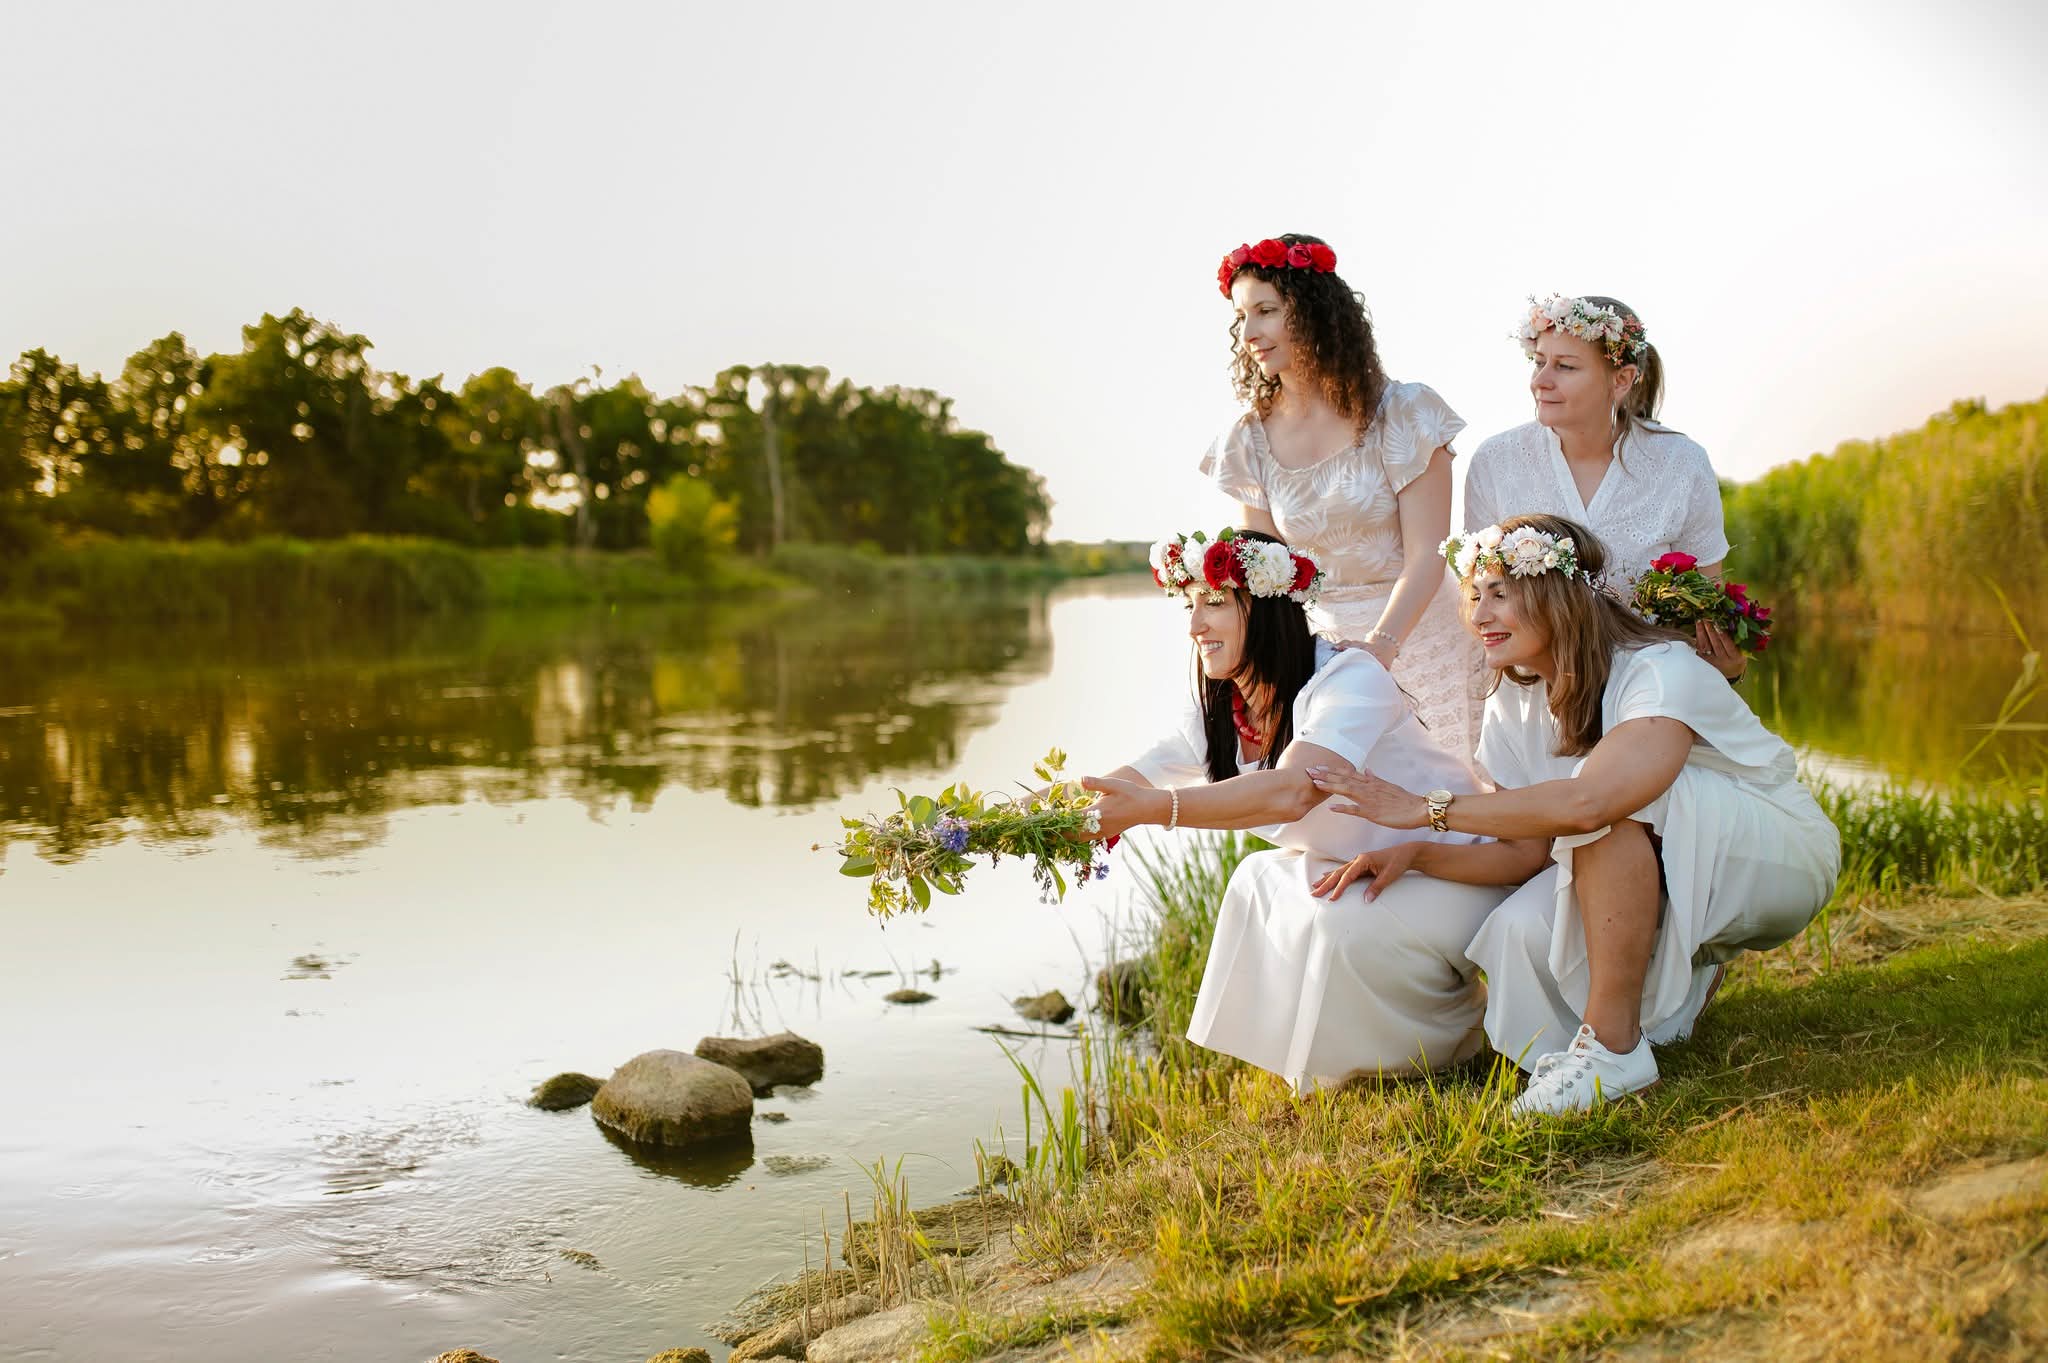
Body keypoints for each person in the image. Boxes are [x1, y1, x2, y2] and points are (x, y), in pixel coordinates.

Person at [1305, 515, 1840, 1113]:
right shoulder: (1513, 702)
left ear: (1556, 592)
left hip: (1773, 853)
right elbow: (1531, 851)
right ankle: (1627, 1024)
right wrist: (1419, 852)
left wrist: (1428, 811)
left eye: (1500, 595)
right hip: (1649, 849)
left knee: (1601, 801)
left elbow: (1590, 806)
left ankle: (1614, 1053)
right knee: (1517, 933)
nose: (1479, 616)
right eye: (1475, 596)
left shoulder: (1660, 668)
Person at [1080, 528, 1509, 1090]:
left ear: (1266, 608)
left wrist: (1156, 810)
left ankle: (1444, 1047)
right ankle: (1334, 1070)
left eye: (1213, 604)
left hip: (1457, 868)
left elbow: (1293, 790)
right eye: (1189, 606)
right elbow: (1122, 781)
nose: (1194, 627)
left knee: (1339, 919)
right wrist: (1018, 818)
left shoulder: (1348, 679)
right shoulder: (1225, 701)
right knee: (1259, 878)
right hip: (1366, 865)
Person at [1203, 234, 1488, 754]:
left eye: (1265, 311)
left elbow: (1428, 554)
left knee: (1449, 806)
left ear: (1313, 313)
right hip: (1322, 656)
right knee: (1344, 813)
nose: (1249, 332)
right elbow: (1269, 582)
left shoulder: (1403, 412)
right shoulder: (1249, 439)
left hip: (1419, 638)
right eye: (1241, 317)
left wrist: (1379, 650)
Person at [1463, 294, 1746, 680]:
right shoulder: (1496, 461)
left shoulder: (1682, 463)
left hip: (1648, 688)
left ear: (1622, 380)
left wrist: (1728, 667)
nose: (1541, 381)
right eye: (1538, 361)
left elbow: (1706, 602)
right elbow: (1475, 597)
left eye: (1564, 366)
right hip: (1530, 689)